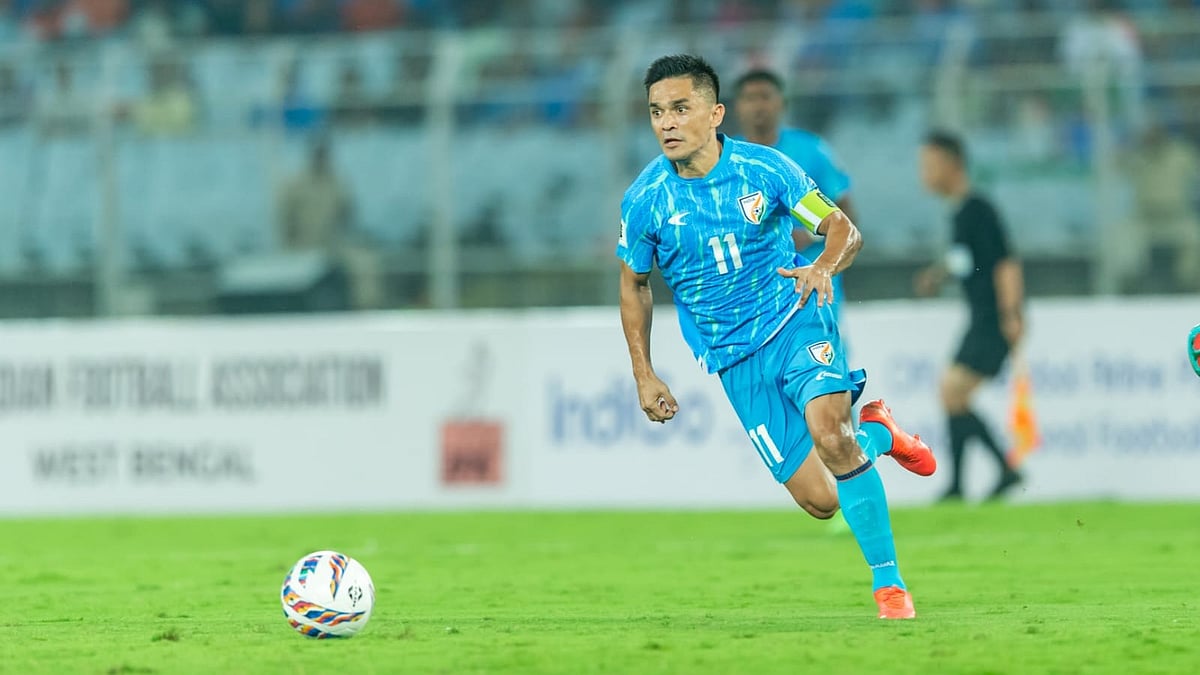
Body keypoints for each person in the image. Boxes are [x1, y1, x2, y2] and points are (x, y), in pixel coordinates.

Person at [617, 54, 935, 620]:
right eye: (656, 112)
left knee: (830, 436)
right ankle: (881, 435)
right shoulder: (645, 200)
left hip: (796, 316)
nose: (666, 122)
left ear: (715, 114)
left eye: (680, 108)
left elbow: (841, 226)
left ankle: (889, 588)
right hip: (735, 358)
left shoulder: (767, 170)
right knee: (821, 500)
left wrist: (822, 267)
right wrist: (643, 372)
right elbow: (634, 285)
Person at [914, 130, 1025, 501]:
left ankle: (988, 475)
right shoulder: (961, 212)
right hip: (981, 316)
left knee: (952, 391)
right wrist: (937, 274)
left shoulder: (978, 209)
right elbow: (967, 259)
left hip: (993, 316)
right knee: (952, 394)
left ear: (951, 164)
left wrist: (1011, 314)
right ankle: (980, 478)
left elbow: (1005, 262)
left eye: (929, 165)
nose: (924, 174)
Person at [733, 69, 855, 320]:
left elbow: (847, 214)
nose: (758, 105)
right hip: (751, 287)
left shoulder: (811, 150)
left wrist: (810, 235)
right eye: (749, 98)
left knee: (820, 355)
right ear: (736, 107)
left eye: (765, 96)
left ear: (782, 103)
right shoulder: (726, 159)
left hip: (811, 280)